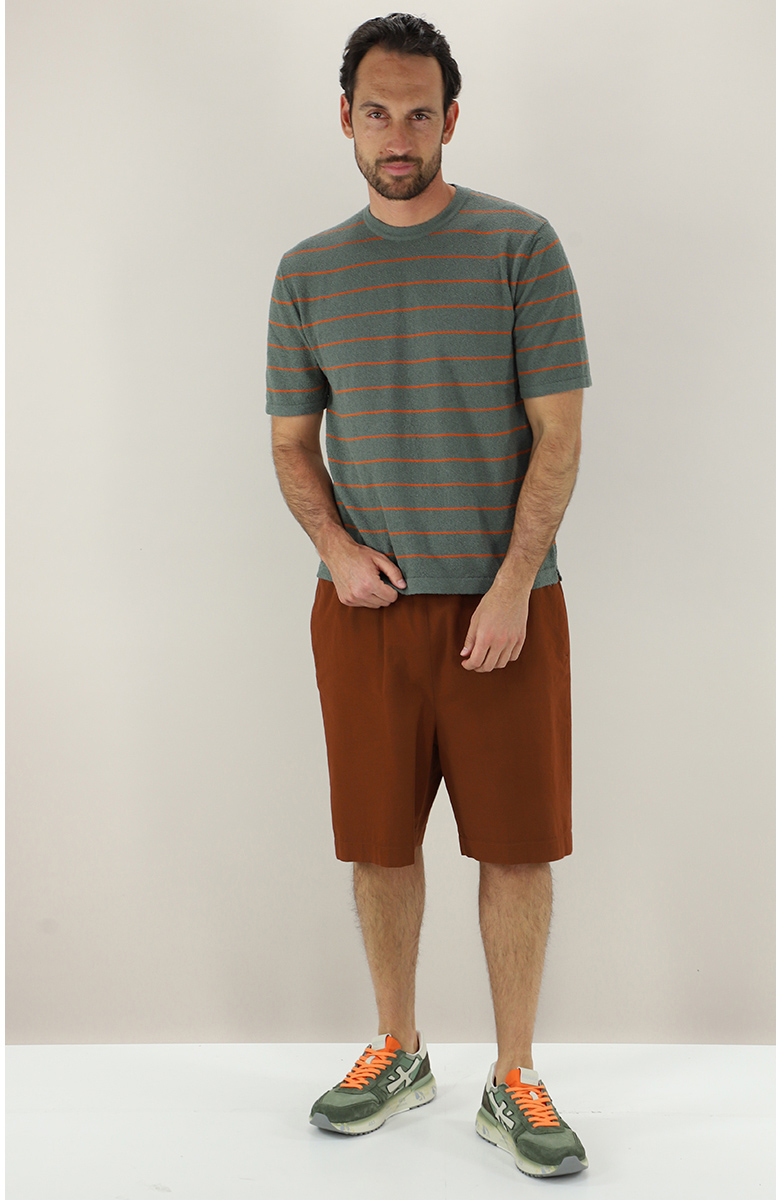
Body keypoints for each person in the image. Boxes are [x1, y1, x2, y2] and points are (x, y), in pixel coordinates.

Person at [266, 12, 591, 1179]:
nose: (397, 136)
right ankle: (398, 1048)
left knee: (517, 850)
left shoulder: (521, 246)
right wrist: (339, 550)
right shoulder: (307, 272)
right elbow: (292, 443)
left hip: (508, 611)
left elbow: (559, 435)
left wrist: (511, 586)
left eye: (418, 113)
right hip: (364, 614)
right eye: (376, 112)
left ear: (451, 119)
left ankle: (516, 1074)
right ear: (344, 118)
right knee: (380, 845)